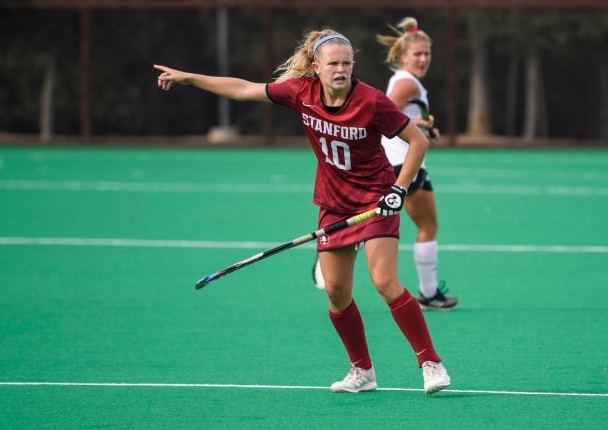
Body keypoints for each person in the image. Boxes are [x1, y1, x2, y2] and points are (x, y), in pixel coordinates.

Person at [154, 28, 450, 395]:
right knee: (337, 293)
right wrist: (189, 78)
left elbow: (417, 141)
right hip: (333, 203)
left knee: (385, 282)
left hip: (376, 200)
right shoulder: (301, 93)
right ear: (316, 66)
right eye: (333, 63)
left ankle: (430, 363)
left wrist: (397, 189)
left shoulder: (372, 101)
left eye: (346, 63)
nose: (341, 69)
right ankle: (362, 371)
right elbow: (243, 89)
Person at [312, 17, 458, 311]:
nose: (423, 59)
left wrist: (423, 127)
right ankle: (330, 252)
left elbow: (400, 117)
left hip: (405, 162)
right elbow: (382, 113)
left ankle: (428, 291)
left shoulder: (407, 81)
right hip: (398, 164)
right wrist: (417, 126)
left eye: (427, 54)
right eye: (417, 54)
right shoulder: (405, 83)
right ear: (403, 56)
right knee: (419, 225)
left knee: (425, 224)